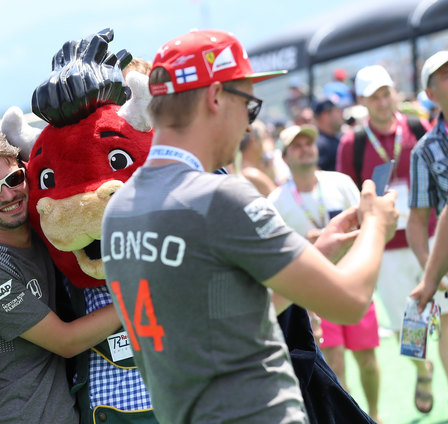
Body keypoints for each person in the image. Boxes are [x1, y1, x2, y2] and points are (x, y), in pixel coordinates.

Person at [101, 29, 397, 423]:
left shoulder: (119, 210)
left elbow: (220, 316)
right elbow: (350, 300)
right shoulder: (219, 197)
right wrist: (377, 225)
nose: (248, 127)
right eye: (250, 106)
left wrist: (316, 253)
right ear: (216, 97)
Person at [0, 128, 123, 423]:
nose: (8, 195)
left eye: (14, 179)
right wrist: (140, 293)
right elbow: (66, 341)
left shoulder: (48, 237)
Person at [336, 64, 444, 414]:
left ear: (394, 92)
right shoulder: (351, 143)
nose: (383, 102)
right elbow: (348, 195)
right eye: (374, 97)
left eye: (386, 93)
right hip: (386, 251)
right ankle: (421, 369)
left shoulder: (415, 126)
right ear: (363, 101)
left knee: (443, 316)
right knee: (406, 327)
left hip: (431, 237)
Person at [269, 124, 382, 422]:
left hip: (350, 279)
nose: (306, 147)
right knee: (334, 362)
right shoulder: (275, 201)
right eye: (297, 145)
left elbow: (363, 222)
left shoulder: (340, 182)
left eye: (309, 142)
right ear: (285, 156)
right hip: (311, 293)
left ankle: (375, 412)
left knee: (368, 358)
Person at [407, 50, 448, 397]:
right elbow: (419, 220)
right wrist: (430, 272)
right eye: (446, 75)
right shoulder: (423, 151)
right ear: (431, 94)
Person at [313, 98, 345, 171]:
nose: (341, 114)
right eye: (338, 111)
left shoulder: (335, 138)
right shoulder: (320, 144)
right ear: (325, 115)